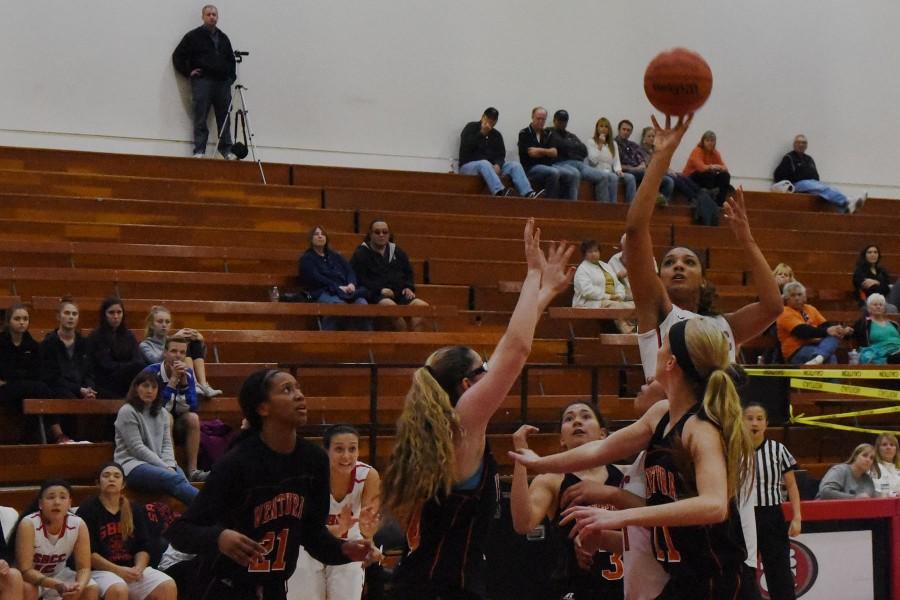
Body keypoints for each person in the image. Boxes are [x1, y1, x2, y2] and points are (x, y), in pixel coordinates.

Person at [620, 115, 782, 599]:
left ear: (703, 279)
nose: (676, 265)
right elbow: (634, 233)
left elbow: (774, 306)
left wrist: (747, 240)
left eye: (688, 261)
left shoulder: (723, 328)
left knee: (731, 574)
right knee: (660, 578)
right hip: (673, 455)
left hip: (721, 459)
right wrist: (663, 157)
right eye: (669, 260)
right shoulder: (658, 313)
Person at [380, 219, 574, 599]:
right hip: (439, 588)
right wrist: (533, 272)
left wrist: (546, 290)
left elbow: (507, 347)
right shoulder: (463, 423)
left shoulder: (450, 426)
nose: (492, 370)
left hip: (428, 583)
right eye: (483, 369)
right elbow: (516, 351)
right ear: (466, 385)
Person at [511, 318, 755, 600]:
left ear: (671, 363)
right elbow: (598, 450)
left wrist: (617, 516)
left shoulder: (700, 427)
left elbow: (714, 506)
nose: (658, 350)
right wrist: (539, 462)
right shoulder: (661, 414)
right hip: (682, 579)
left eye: (662, 346)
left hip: (720, 582)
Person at [165, 369, 378, 600]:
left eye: (298, 388)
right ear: (262, 408)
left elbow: (312, 534)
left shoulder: (314, 460)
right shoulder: (236, 463)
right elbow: (181, 531)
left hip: (273, 587)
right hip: (224, 587)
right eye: (287, 389)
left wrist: (343, 549)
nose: (299, 395)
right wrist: (219, 537)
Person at [510, 403, 624, 600]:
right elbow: (523, 523)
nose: (577, 421)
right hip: (576, 586)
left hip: (626, 587)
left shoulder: (626, 475)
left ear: (603, 434)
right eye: (569, 419)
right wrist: (521, 456)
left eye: (586, 416)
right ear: (562, 439)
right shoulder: (552, 479)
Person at [288, 425, 380, 600]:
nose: (346, 456)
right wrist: (335, 531)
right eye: (339, 449)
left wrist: (369, 531)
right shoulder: (309, 475)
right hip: (308, 547)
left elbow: (368, 529)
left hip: (348, 546)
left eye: (352, 449)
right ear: (326, 451)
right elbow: (301, 528)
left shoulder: (368, 475)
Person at [76, 463, 177, 600]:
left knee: (167, 585)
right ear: (98, 483)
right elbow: (89, 554)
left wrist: (139, 568)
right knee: (118, 589)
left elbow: (143, 546)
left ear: (123, 484)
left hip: (130, 568)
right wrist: (118, 571)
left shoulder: (133, 508)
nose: (111, 479)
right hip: (100, 571)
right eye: (106, 475)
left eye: (116, 476)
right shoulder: (88, 509)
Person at [743, 403, 801, 600]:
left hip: (771, 515)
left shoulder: (778, 449)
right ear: (741, 422)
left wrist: (797, 517)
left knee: (779, 570)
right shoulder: (732, 451)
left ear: (766, 423)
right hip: (743, 516)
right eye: (749, 418)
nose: (754, 423)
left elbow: (792, 486)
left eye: (759, 418)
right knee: (743, 570)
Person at [114, 371, 198, 505]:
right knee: (174, 479)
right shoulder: (127, 411)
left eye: (154, 387)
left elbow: (166, 444)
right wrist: (164, 467)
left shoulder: (162, 412)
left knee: (182, 480)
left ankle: (200, 518)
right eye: (145, 386)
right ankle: (210, 510)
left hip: (160, 464)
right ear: (136, 388)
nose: (149, 390)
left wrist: (169, 464)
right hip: (132, 465)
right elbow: (137, 448)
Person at [13, 479, 98, 600]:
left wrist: (79, 586)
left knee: (90, 588)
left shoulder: (78, 524)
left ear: (69, 503)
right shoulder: (29, 524)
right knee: (27, 589)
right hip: (32, 578)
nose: (57, 502)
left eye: (63, 497)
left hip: (59, 575)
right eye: (51, 497)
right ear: (40, 504)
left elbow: (84, 567)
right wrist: (55, 584)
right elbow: (25, 570)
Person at [171, 5, 236, 159]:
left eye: (214, 14)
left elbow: (231, 60)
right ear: (203, 17)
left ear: (217, 17)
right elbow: (178, 56)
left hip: (222, 83)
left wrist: (230, 79)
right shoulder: (193, 36)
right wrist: (188, 72)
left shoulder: (224, 37)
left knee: (225, 117)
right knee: (200, 116)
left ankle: (226, 150)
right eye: (209, 14)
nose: (212, 17)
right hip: (203, 82)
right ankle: (199, 150)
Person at [0, 304, 70, 444]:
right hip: (6, 389)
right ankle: (57, 433)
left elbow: (36, 371)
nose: (22, 322)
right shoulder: (1, 342)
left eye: (25, 318)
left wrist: (14, 376)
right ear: (9, 321)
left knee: (39, 390)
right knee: (41, 389)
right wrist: (16, 375)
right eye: (17, 318)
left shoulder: (32, 344)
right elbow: (5, 370)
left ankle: (32, 438)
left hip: (22, 386)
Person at [142, 337, 207, 482]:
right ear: (165, 353)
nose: (178, 355)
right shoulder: (151, 373)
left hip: (177, 422)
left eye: (182, 352)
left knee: (193, 418)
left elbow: (193, 407)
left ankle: (193, 471)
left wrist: (183, 384)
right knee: (166, 416)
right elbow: (155, 408)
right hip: (150, 422)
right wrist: (172, 383)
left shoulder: (188, 373)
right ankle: (171, 466)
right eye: (173, 351)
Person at [350, 220, 428, 331]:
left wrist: (408, 287)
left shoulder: (397, 251)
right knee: (390, 307)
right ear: (370, 234)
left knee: (423, 307)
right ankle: (405, 338)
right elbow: (358, 279)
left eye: (385, 232)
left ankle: (416, 340)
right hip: (375, 295)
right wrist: (379, 290)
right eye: (377, 232)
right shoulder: (361, 254)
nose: (381, 235)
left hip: (399, 293)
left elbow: (408, 272)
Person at [298, 226, 372, 331]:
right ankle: (329, 338)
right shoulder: (306, 259)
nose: (320, 236)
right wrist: (337, 287)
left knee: (362, 303)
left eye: (322, 234)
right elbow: (316, 278)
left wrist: (351, 284)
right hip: (323, 291)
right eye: (316, 234)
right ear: (311, 238)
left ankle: (366, 339)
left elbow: (349, 271)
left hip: (345, 290)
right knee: (338, 306)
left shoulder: (336, 256)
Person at [458, 107, 542, 198]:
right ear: (483, 117)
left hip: (491, 167)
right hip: (469, 166)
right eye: (488, 118)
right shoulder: (471, 127)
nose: (490, 121)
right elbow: (466, 147)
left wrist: (498, 164)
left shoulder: (496, 135)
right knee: (484, 163)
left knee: (514, 165)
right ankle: (500, 192)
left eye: (493, 120)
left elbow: (501, 154)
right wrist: (482, 133)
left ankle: (528, 193)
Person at [139, 305, 221, 398]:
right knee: (181, 345)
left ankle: (204, 385)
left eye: (167, 322)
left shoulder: (171, 340)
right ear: (152, 325)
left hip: (180, 376)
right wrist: (176, 339)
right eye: (160, 321)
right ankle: (193, 384)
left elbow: (199, 357)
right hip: (163, 380)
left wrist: (200, 341)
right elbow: (156, 361)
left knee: (193, 342)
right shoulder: (145, 345)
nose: (164, 325)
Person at [773, 135, 866, 214]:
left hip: (811, 183)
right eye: (799, 142)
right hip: (797, 184)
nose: (801, 145)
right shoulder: (789, 158)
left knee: (827, 189)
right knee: (817, 186)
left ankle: (845, 208)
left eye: (804, 143)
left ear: (806, 146)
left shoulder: (809, 159)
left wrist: (815, 183)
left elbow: (816, 176)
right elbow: (778, 175)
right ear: (794, 145)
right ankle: (848, 200)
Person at [776, 281, 853, 365]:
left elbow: (825, 326)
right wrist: (827, 331)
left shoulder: (810, 308)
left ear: (805, 296)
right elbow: (802, 332)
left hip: (817, 345)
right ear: (787, 299)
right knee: (830, 358)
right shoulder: (784, 312)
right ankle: (820, 357)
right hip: (796, 351)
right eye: (793, 295)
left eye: (799, 294)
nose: (797, 298)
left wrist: (841, 330)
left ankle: (819, 358)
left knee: (834, 335)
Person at [549, 110, 613, 202]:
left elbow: (583, 150)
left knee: (603, 177)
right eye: (560, 120)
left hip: (579, 164)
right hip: (560, 163)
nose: (562, 123)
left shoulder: (571, 135)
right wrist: (571, 147)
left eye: (564, 121)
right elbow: (559, 145)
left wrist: (568, 147)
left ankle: (603, 211)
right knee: (575, 174)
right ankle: (572, 208)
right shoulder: (549, 132)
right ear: (554, 120)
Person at [88, 299, 146, 399]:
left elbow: (138, 359)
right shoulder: (96, 336)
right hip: (105, 381)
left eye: (119, 312)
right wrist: (128, 366)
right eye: (111, 313)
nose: (116, 317)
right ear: (104, 314)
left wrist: (128, 367)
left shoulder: (128, 335)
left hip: (127, 379)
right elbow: (105, 365)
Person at [517, 107, 579, 200]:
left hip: (547, 164)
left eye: (543, 119)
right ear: (532, 117)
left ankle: (569, 205)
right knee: (554, 172)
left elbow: (554, 152)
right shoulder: (524, 133)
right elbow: (531, 153)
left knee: (573, 174)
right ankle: (550, 203)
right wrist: (546, 152)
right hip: (530, 167)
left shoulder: (548, 133)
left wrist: (540, 151)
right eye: (538, 118)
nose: (541, 121)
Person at [573, 240, 634, 333]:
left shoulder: (605, 266)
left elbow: (617, 284)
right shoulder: (582, 269)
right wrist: (608, 296)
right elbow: (587, 291)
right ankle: (628, 331)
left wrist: (619, 295)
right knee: (615, 306)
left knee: (633, 305)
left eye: (596, 251)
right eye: (590, 252)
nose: (593, 254)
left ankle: (639, 329)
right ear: (584, 254)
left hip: (613, 299)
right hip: (590, 302)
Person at [586, 117, 635, 204]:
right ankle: (612, 205)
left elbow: (616, 160)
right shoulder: (591, 141)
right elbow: (593, 161)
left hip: (610, 171)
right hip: (598, 170)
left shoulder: (613, 144)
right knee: (613, 177)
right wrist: (600, 144)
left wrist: (618, 170)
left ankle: (630, 206)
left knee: (630, 177)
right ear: (597, 128)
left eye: (606, 127)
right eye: (601, 126)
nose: (603, 129)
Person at [853, 294, 900, 364]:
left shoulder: (893, 324)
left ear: (884, 308)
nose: (878, 307)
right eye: (875, 305)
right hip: (881, 354)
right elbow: (852, 332)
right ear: (868, 308)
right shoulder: (864, 323)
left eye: (881, 305)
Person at [852, 245, 896, 310]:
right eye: (869, 252)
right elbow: (870, 290)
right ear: (865, 255)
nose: (873, 254)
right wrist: (882, 285)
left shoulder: (882, 271)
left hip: (883, 300)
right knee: (892, 309)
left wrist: (877, 282)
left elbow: (887, 289)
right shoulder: (860, 271)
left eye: (875, 252)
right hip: (868, 301)